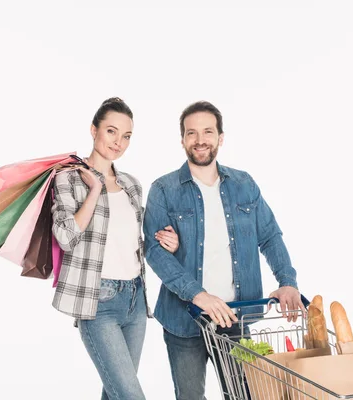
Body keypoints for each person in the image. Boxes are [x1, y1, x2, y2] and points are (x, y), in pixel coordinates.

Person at [142, 100, 305, 400]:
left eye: (208, 131)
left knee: (244, 395)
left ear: (220, 137)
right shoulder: (163, 189)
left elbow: (269, 236)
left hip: (235, 316)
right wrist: (198, 295)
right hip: (183, 321)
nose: (200, 140)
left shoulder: (244, 184)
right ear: (182, 140)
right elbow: (154, 251)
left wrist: (287, 282)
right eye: (192, 133)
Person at [51, 97, 179, 400]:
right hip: (98, 302)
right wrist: (94, 190)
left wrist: (166, 242)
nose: (118, 142)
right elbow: (66, 237)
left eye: (126, 136)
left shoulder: (132, 184)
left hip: (135, 301)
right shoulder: (68, 178)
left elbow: (136, 243)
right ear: (94, 130)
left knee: (115, 394)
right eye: (111, 131)